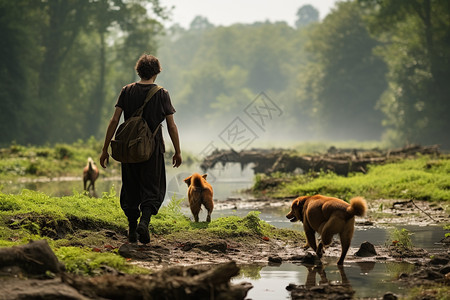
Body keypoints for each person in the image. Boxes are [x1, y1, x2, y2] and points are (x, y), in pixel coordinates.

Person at [100, 54, 182, 244]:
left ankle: (131, 228)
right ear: (157, 72)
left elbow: (114, 120)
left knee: (130, 186)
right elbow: (171, 125)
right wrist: (177, 151)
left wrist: (105, 149)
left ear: (139, 70)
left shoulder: (126, 91)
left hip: (129, 149)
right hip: (152, 150)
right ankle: (144, 223)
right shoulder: (162, 93)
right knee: (153, 187)